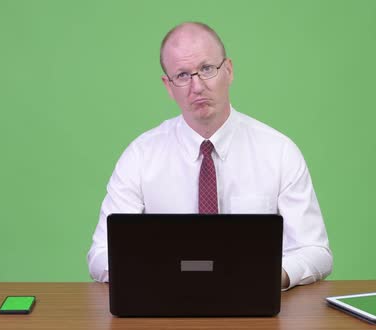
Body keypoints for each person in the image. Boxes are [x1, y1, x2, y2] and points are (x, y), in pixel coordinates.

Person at [87, 22, 332, 290]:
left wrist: (268, 277)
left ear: (228, 70)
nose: (197, 87)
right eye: (182, 75)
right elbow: (101, 254)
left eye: (206, 69)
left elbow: (315, 251)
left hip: (254, 308)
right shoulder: (140, 156)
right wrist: (156, 273)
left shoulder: (279, 152)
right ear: (168, 86)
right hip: (165, 308)